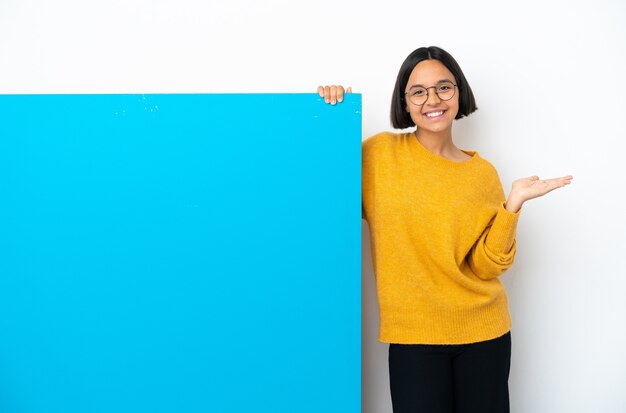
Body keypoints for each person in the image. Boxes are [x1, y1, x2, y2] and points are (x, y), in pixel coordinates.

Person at [318, 46, 573, 413]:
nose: (432, 100)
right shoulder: (379, 156)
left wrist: (512, 205)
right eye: (418, 91)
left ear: (459, 93)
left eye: (443, 87)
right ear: (404, 102)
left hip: (484, 332)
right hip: (413, 337)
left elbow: (487, 266)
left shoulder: (481, 174)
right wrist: (330, 116)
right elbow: (327, 198)